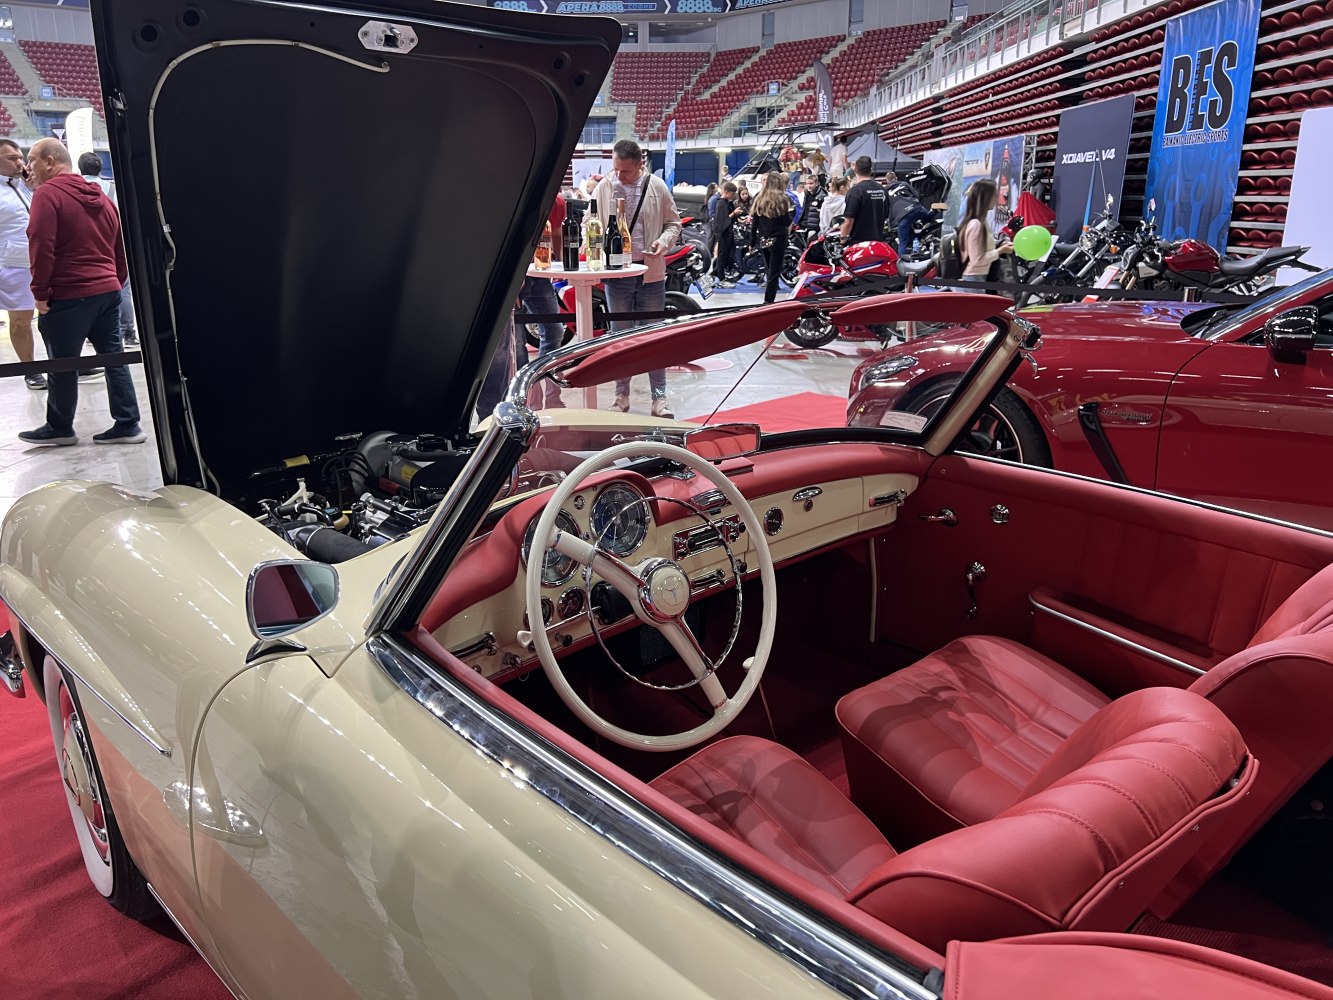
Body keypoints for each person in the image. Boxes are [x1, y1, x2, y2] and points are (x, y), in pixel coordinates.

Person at [20, 138, 144, 446]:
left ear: (50, 161)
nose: (28, 167)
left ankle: (60, 427)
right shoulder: (102, 198)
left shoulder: (48, 195)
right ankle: (128, 423)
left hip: (70, 292)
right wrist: (114, 281)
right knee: (114, 357)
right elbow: (120, 247)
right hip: (108, 290)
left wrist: (40, 291)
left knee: (62, 361)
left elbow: (41, 244)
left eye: (32, 160)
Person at [590, 138, 682, 417]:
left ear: (640, 164)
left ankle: (659, 399)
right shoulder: (605, 187)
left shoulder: (657, 186)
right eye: (616, 169)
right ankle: (621, 397)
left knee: (654, 337)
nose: (619, 176)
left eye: (626, 171)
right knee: (620, 338)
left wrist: (663, 242)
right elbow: (589, 221)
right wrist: (592, 245)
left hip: (649, 273)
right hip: (617, 274)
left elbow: (674, 223)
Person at [77, 151, 137, 348]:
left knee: (90, 288)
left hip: (87, 245)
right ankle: (128, 333)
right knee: (123, 287)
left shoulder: (75, 189)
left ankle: (92, 332)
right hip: (113, 242)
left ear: (80, 168)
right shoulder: (112, 188)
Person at [517, 193, 568, 407]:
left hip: (539, 273)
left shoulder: (558, 202)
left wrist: (562, 266)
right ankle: (526, 399)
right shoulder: (520, 196)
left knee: (554, 331)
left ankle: (551, 394)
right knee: (517, 344)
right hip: (514, 276)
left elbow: (556, 232)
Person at [0, 139, 42, 390]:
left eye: (19, 157)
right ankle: (30, 370)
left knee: (58, 314)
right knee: (20, 320)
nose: (19, 162)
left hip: (44, 258)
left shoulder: (26, 184)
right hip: (13, 264)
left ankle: (67, 363)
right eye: (11, 158)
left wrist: (34, 184)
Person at [959, 178, 1013, 284]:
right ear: (986, 198)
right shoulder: (976, 225)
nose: (997, 198)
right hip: (973, 279)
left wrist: (1000, 245)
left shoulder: (981, 222)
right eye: (995, 195)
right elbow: (977, 260)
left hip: (978, 277)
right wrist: (1001, 250)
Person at [751, 171, 792, 305]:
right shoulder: (782, 199)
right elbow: (787, 221)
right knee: (774, 273)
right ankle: (768, 301)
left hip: (763, 239)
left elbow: (754, 223)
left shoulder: (759, 198)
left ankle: (768, 301)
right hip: (778, 239)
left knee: (769, 270)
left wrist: (752, 242)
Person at [840, 156, 887, 245]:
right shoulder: (882, 189)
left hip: (859, 243)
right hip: (878, 242)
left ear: (855, 170)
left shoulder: (855, 192)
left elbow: (849, 220)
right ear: (870, 170)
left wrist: (842, 240)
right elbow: (886, 214)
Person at [884, 175, 933, 257]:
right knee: (928, 217)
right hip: (916, 208)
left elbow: (885, 206)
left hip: (902, 215)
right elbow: (916, 194)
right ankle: (934, 211)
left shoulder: (885, 190)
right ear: (896, 178)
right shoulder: (904, 184)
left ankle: (903, 261)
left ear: (887, 180)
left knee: (903, 242)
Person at [711, 181, 738, 288]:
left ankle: (715, 273)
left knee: (729, 254)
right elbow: (721, 221)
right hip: (723, 234)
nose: (733, 196)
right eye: (732, 193)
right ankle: (721, 278)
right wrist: (733, 214)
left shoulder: (726, 203)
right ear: (726, 192)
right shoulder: (721, 204)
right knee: (722, 256)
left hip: (728, 232)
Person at [797, 174, 825, 238]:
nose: (809, 186)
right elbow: (805, 209)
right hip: (805, 225)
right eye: (807, 184)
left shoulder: (822, 195)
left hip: (815, 227)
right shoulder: (807, 193)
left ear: (816, 183)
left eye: (811, 183)